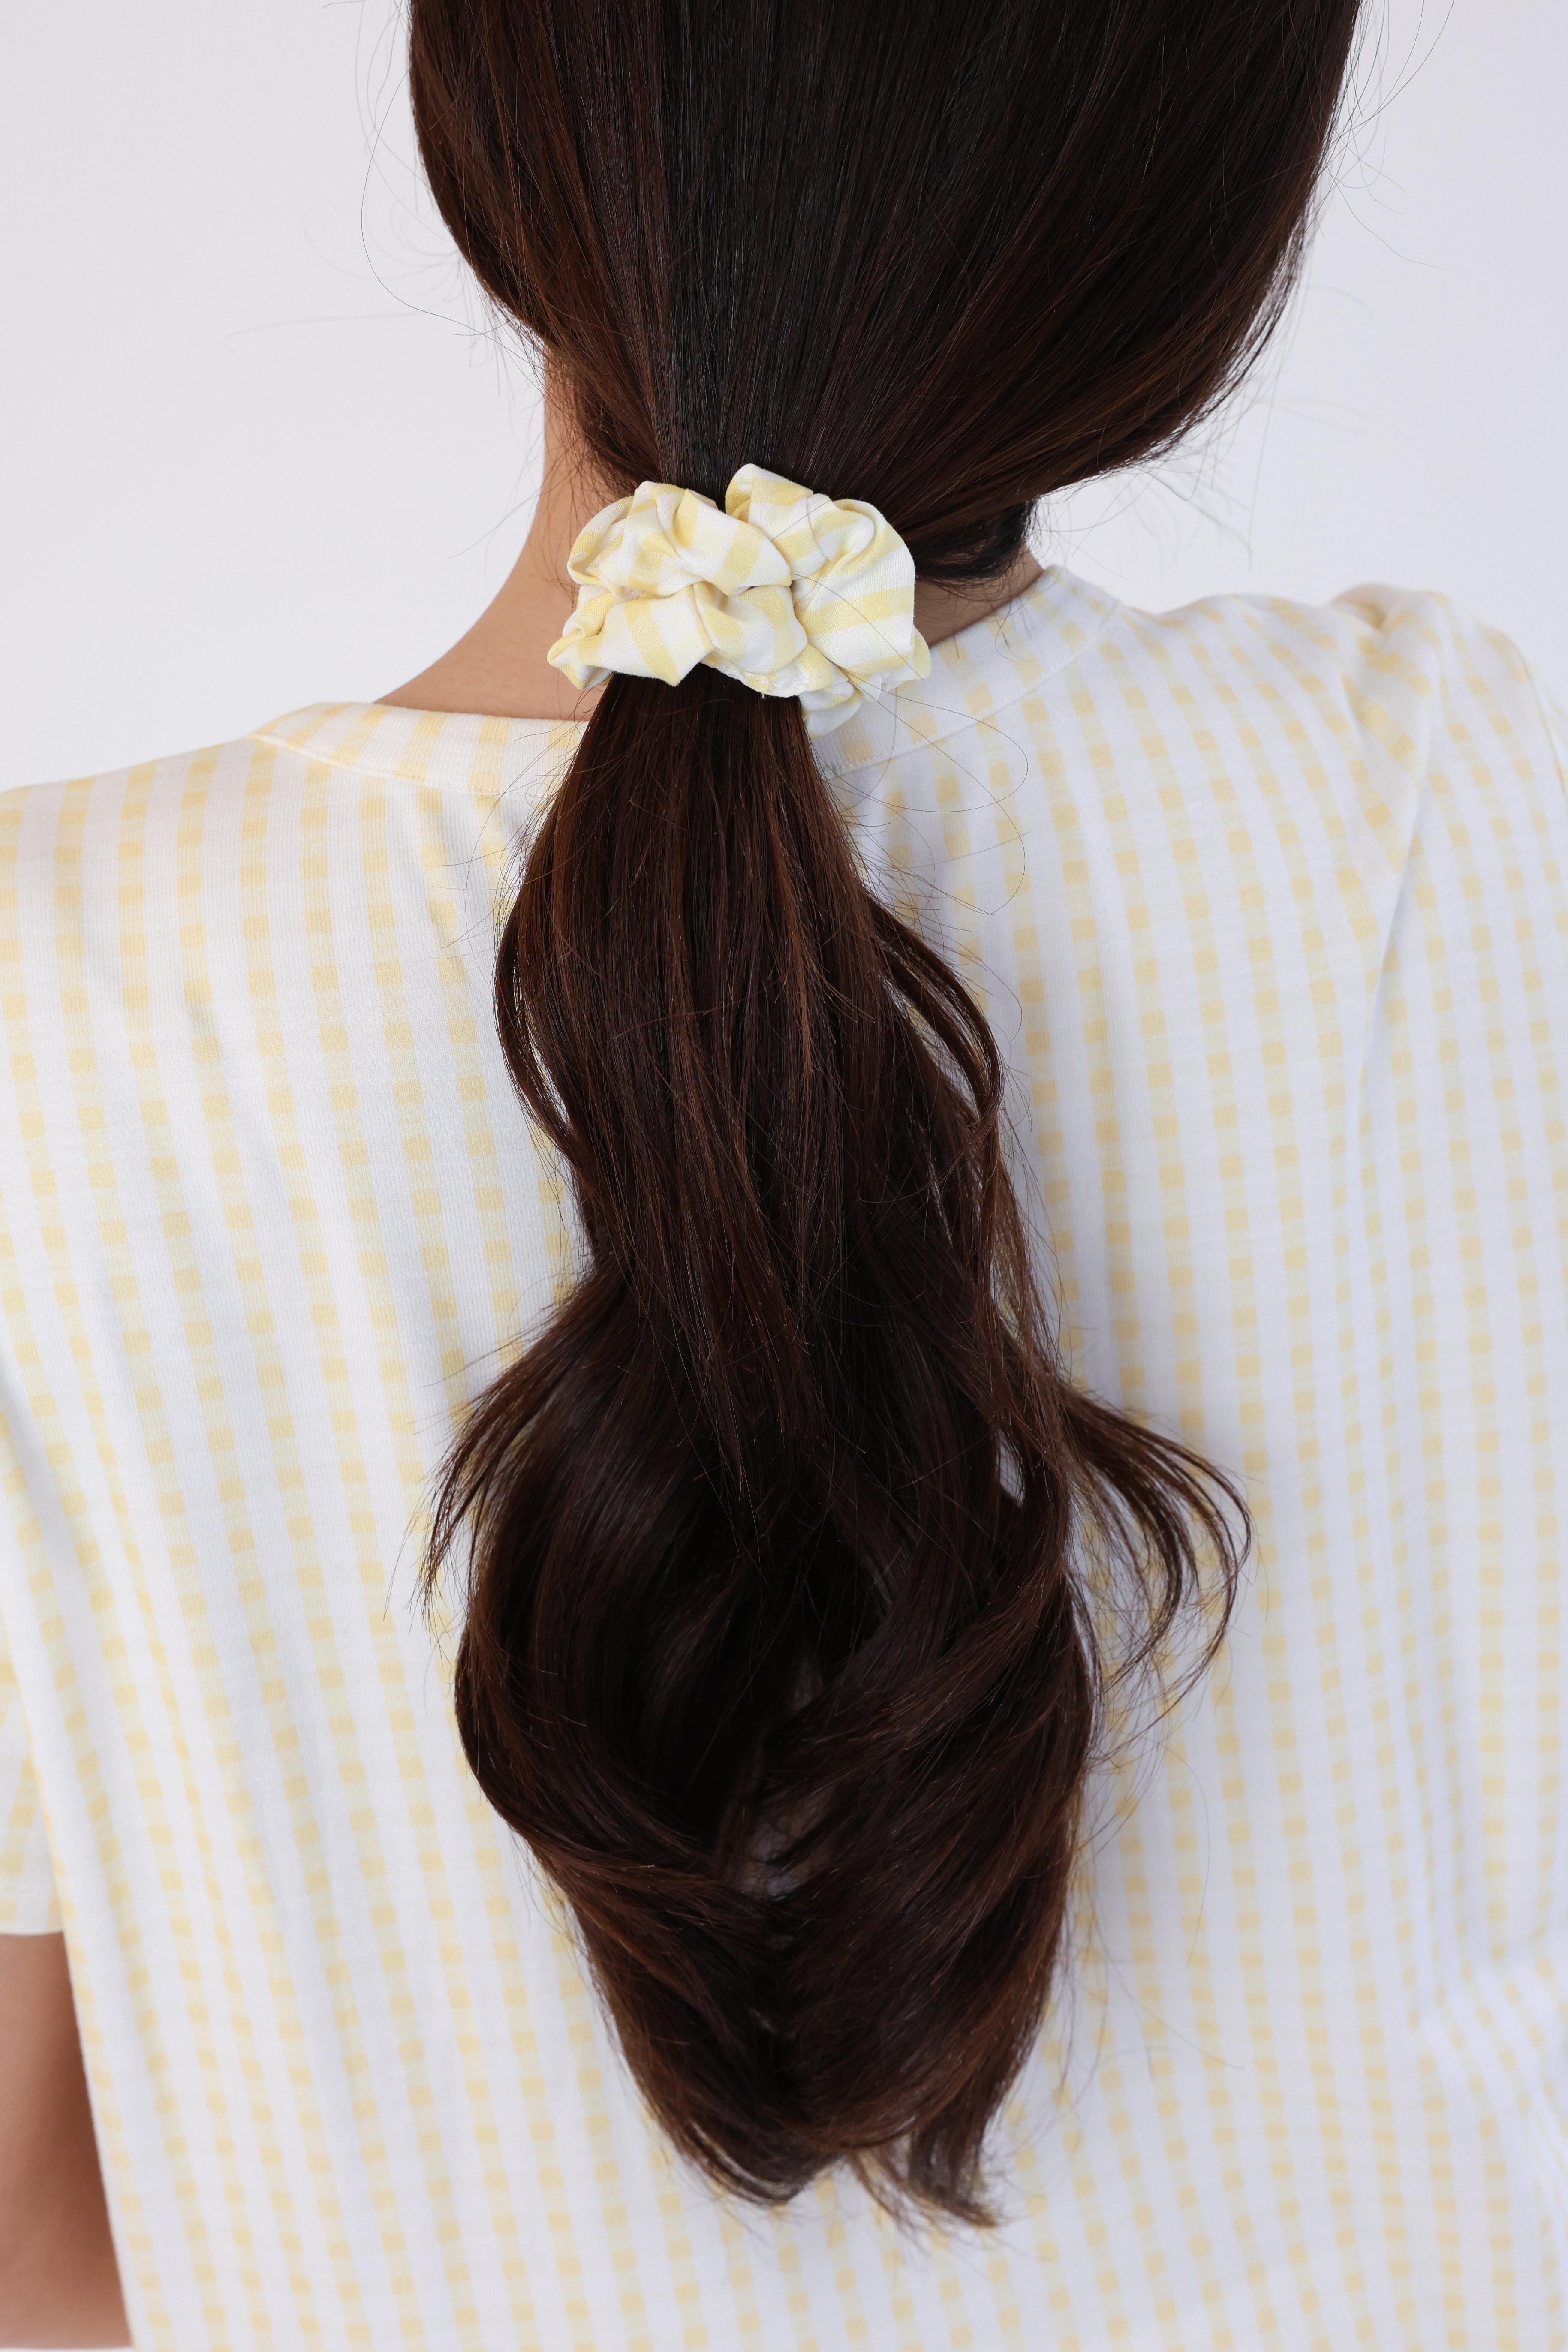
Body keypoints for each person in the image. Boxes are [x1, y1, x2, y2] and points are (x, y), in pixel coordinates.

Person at [2, 0, 1565, 2343]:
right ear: (1204, 224)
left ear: (487, 112)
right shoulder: (1464, 794)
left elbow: (41, 2212)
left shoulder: (56, 994)